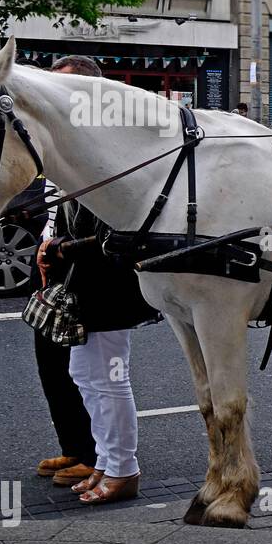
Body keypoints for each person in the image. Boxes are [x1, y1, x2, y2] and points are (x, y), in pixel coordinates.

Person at [36, 56, 160, 505]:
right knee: (86, 373)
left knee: (108, 376)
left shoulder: (107, 146)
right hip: (86, 278)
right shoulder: (80, 141)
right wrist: (54, 242)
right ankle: (105, 462)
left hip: (108, 283)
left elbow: (120, 226)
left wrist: (61, 248)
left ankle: (123, 470)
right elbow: (63, 207)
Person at [32, 56, 103, 488]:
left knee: (92, 371)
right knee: (53, 364)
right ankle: (75, 446)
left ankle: (98, 455)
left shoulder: (98, 144)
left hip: (87, 270)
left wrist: (61, 247)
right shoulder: (60, 140)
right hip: (56, 266)